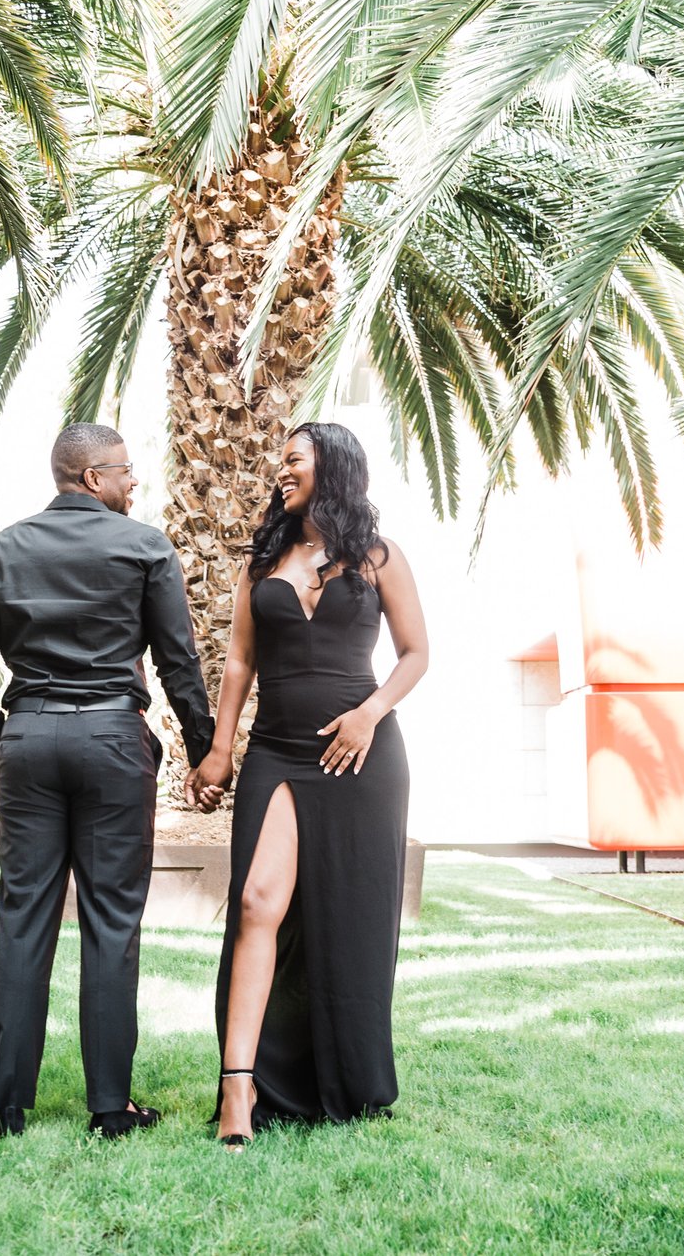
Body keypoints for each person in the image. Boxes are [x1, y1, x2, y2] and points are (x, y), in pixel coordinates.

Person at [0, 422, 216, 1139]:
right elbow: (177, 662)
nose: (136, 482)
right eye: (127, 470)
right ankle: (110, 1106)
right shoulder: (143, 547)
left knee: (23, 915)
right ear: (91, 476)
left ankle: (6, 1103)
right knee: (110, 921)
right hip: (111, 740)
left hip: (29, 736)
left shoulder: (2, 549)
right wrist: (204, 749)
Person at [192, 421, 429, 1147]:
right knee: (258, 900)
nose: (280, 470)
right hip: (278, 750)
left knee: (350, 918)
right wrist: (220, 747)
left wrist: (369, 712)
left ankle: (349, 1078)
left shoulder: (380, 556)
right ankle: (240, 1089)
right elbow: (238, 661)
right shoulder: (262, 558)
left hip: (361, 756)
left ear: (332, 466)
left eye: (293, 458)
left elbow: (418, 653)